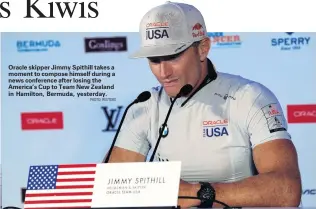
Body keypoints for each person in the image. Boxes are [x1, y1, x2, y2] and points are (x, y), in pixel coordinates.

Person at [104, 1, 302, 208]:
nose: (163, 73)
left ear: (203, 49)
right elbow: (110, 191)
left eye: (173, 57)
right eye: (154, 60)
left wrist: (195, 193)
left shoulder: (249, 97)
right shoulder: (144, 107)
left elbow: (286, 190)